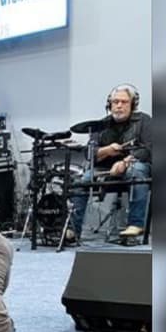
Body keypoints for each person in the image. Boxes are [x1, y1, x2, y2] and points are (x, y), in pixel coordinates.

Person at [68, 84, 152, 241]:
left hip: (134, 166)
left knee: (137, 171)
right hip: (105, 170)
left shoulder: (144, 121)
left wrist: (125, 162)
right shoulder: (102, 124)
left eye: (124, 102)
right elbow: (90, 154)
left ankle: (134, 226)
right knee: (81, 180)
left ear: (133, 104)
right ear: (110, 104)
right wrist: (106, 150)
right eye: (115, 102)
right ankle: (73, 230)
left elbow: (148, 150)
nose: (119, 106)